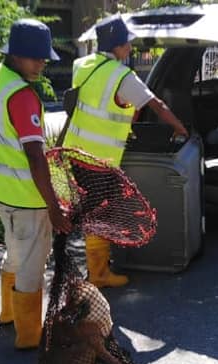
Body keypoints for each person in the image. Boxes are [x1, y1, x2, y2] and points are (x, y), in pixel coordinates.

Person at [63, 15, 188, 289]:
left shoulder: (81, 65)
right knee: (100, 212)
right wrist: (181, 129)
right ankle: (98, 274)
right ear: (115, 45)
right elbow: (156, 105)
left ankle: (98, 268)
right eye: (126, 43)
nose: (130, 48)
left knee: (93, 208)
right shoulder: (122, 76)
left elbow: (104, 103)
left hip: (76, 151)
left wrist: (128, 119)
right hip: (100, 158)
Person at [0, 19, 73, 349]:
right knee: (31, 265)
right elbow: (35, 156)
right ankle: (29, 337)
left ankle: (8, 315)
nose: (42, 64)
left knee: (15, 252)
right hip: (25, 198)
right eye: (35, 58)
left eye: (45, 58)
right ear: (15, 54)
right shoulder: (21, 95)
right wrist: (54, 207)